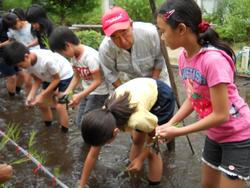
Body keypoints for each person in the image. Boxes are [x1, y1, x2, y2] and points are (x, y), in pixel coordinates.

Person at [155, 0, 250, 188]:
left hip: (239, 136)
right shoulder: (184, 58)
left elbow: (221, 115)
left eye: (163, 31)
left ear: (181, 29)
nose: (162, 37)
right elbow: (194, 97)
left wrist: (179, 131)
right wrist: (170, 123)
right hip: (215, 134)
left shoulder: (213, 60)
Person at [79, 78, 175, 187]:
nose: (105, 145)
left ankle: (154, 184)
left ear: (116, 131)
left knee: (153, 152)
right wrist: (81, 185)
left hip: (160, 96)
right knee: (137, 141)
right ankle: (133, 177)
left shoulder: (137, 119)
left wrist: (141, 158)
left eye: (106, 143)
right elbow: (92, 156)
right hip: (138, 95)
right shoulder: (103, 117)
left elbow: (154, 142)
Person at [3, 41, 73, 132]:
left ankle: (64, 133)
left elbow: (57, 79)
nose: (21, 68)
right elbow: (37, 80)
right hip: (48, 76)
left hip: (64, 75)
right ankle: (48, 128)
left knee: (60, 106)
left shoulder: (47, 61)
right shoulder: (26, 62)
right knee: (42, 103)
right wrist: (31, 96)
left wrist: (42, 95)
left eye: (20, 65)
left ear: (26, 56)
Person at [48, 26, 109, 128]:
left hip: (99, 93)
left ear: (67, 46)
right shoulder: (74, 57)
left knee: (87, 123)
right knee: (79, 122)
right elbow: (77, 77)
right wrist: (67, 92)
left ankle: (97, 138)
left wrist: (80, 95)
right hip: (87, 91)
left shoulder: (90, 57)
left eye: (62, 53)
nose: (64, 56)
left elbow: (97, 81)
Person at [99, 6, 170, 88]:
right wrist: (125, 93)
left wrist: (153, 85)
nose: (123, 41)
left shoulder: (151, 33)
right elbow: (110, 74)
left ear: (131, 25)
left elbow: (159, 59)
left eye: (124, 33)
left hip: (159, 78)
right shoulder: (105, 49)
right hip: (132, 82)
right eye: (115, 37)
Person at [0, 13, 30, 96]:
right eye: (11, 27)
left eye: (13, 26)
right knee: (12, 77)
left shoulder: (28, 25)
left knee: (21, 75)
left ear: (17, 20)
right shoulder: (6, 26)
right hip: (3, 55)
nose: (14, 29)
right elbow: (11, 39)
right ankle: (12, 97)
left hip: (15, 52)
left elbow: (12, 40)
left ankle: (17, 92)